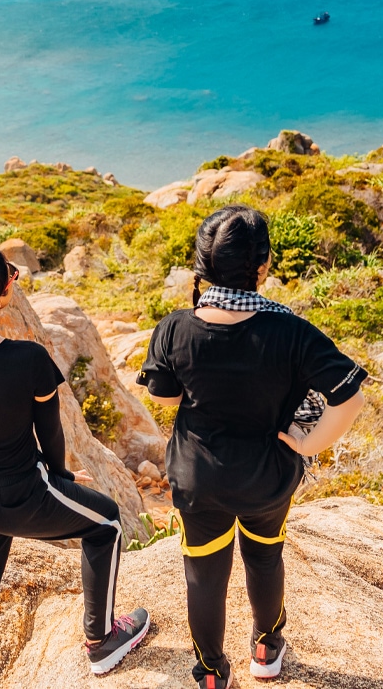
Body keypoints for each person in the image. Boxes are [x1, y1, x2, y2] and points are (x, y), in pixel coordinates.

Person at [138, 205, 369, 689]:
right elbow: (349, 398)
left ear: (201, 266)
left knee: (204, 574)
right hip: (268, 475)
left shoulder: (175, 328)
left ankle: (210, 673)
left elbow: (162, 394)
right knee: (265, 557)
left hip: (199, 478)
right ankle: (266, 648)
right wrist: (308, 442)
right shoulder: (291, 331)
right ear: (262, 266)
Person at [0, 239, 151, 687]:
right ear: (4, 297)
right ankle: (102, 640)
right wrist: (60, 478)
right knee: (108, 523)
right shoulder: (29, 360)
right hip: (22, 495)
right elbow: (51, 433)